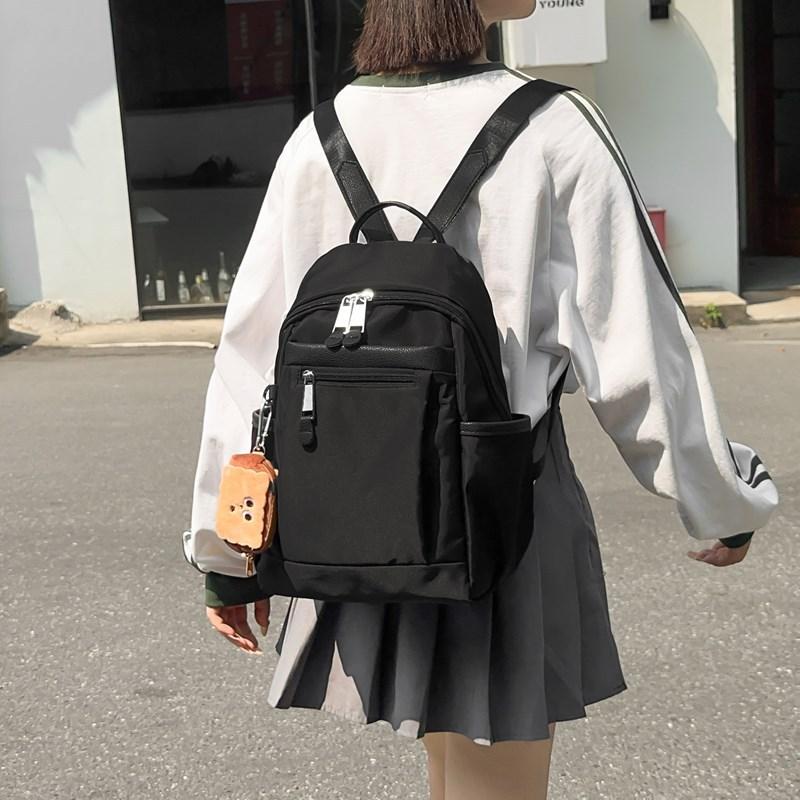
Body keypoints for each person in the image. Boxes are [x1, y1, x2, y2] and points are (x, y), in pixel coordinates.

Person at [182, 1, 779, 798]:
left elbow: (252, 361)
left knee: (453, 774)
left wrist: (227, 552)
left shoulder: (321, 136)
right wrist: (721, 498)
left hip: (358, 504)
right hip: (501, 504)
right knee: (491, 779)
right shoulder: (554, 128)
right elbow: (639, 347)